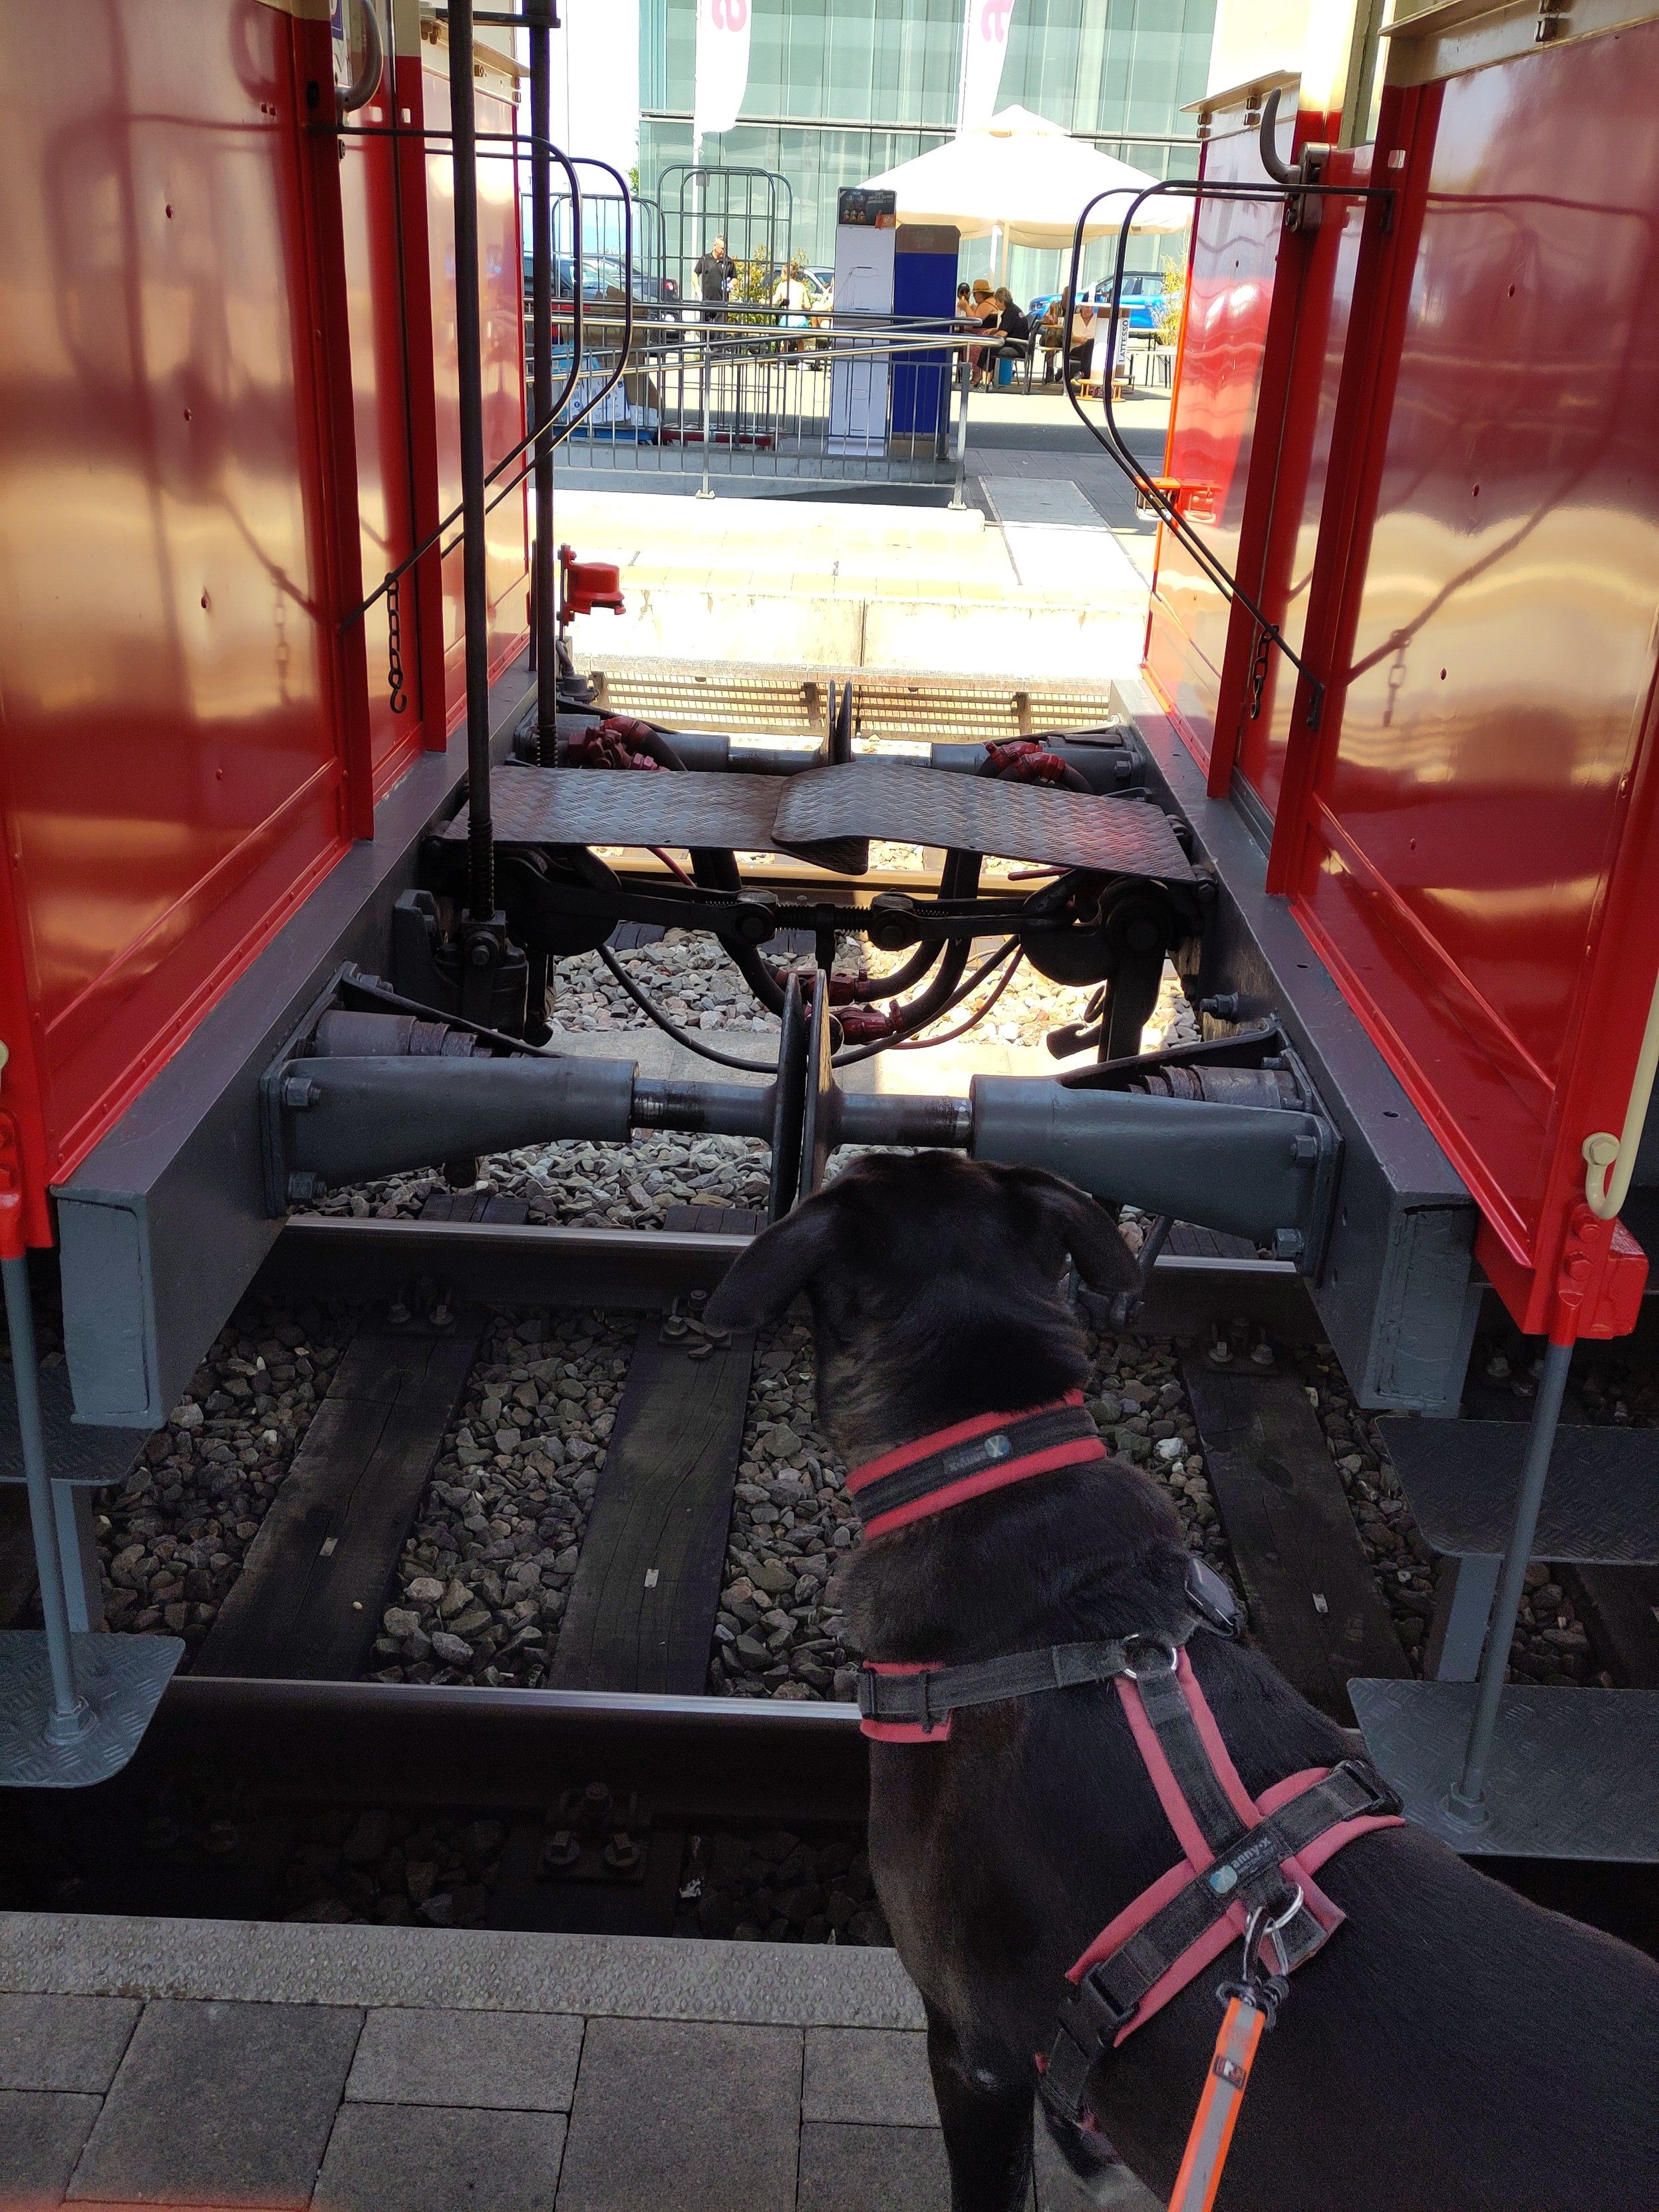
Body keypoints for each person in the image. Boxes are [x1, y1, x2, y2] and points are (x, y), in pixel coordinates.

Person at [772, 258, 811, 352]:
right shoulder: (801, 286)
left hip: (787, 320)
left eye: (782, 273)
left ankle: (782, 361)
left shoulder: (782, 286)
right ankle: (801, 361)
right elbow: (808, 306)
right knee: (800, 340)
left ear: (786, 274)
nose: (781, 275)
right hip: (800, 319)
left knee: (783, 341)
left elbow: (773, 302)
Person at [693, 235, 735, 321]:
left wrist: (730, 284)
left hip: (722, 303)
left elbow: (735, 278)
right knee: (704, 330)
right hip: (706, 302)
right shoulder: (705, 259)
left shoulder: (729, 262)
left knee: (719, 331)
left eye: (726, 249)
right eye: (722, 248)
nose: (724, 251)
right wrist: (697, 286)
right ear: (715, 246)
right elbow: (695, 273)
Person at [1039, 295, 1065, 383]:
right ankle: (1050, 368)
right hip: (1051, 336)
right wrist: (1048, 319)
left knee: (1072, 342)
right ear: (1063, 297)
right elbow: (1043, 319)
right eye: (1066, 297)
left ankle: (1064, 369)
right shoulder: (1054, 306)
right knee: (1051, 339)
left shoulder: (1076, 309)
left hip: (1065, 338)